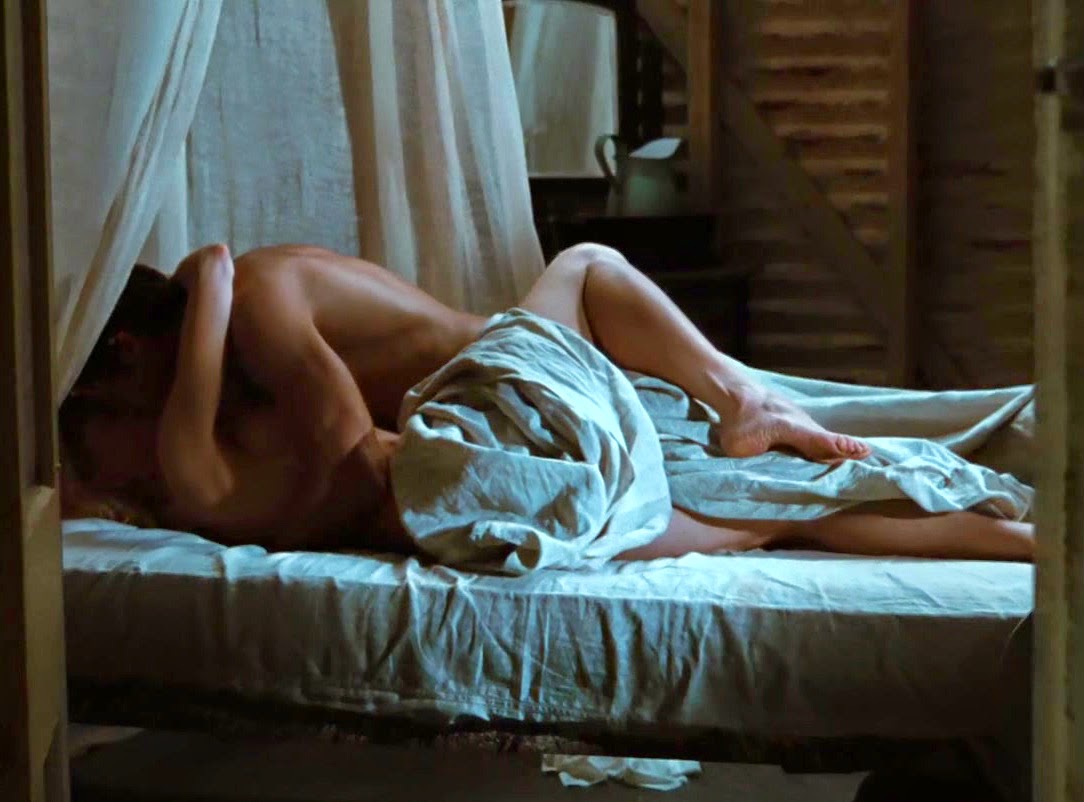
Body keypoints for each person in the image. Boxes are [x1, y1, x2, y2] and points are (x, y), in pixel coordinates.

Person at [60, 242, 1034, 562]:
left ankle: (746, 398)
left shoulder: (260, 309)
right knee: (776, 509)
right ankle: (1030, 545)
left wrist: (206, 293)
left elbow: (347, 447)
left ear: (132, 352)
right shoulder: (213, 429)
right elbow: (340, 451)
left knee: (586, 267)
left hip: (513, 391)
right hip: (512, 428)